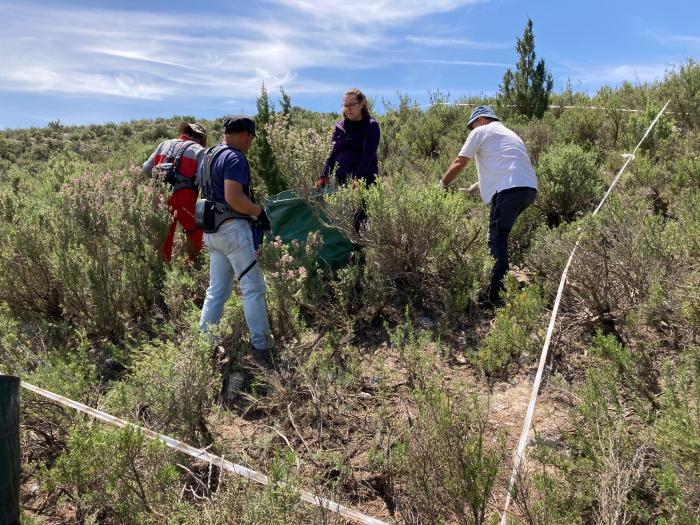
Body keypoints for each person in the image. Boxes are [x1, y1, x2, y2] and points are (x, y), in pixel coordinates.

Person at [440, 105, 538, 306]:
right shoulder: (509, 133)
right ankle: (500, 287)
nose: (472, 129)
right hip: (528, 189)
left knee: (496, 240)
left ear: (481, 120)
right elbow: (507, 161)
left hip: (508, 189)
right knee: (500, 236)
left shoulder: (481, 130)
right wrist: (481, 184)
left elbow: (460, 162)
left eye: (472, 125)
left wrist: (442, 184)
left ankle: (496, 295)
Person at [199, 116, 274, 364]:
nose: (251, 143)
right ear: (245, 134)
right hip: (233, 230)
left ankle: (204, 346)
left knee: (216, 291)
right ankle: (262, 347)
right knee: (253, 288)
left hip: (212, 232)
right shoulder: (234, 157)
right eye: (251, 138)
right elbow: (234, 197)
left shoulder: (209, 156)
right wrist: (257, 211)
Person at [143, 121, 207, 262]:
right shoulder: (199, 150)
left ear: (184, 132)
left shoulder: (164, 144)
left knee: (163, 234)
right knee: (195, 230)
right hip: (185, 200)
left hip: (159, 196)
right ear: (200, 138)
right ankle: (192, 266)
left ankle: (161, 270)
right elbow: (203, 179)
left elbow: (146, 168)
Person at [317, 88, 380, 188]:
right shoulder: (340, 126)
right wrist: (323, 176)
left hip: (364, 184)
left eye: (352, 105)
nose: (348, 109)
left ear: (361, 104)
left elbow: (368, 157)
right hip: (339, 184)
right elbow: (332, 154)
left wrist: (357, 180)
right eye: (346, 105)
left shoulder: (371, 126)